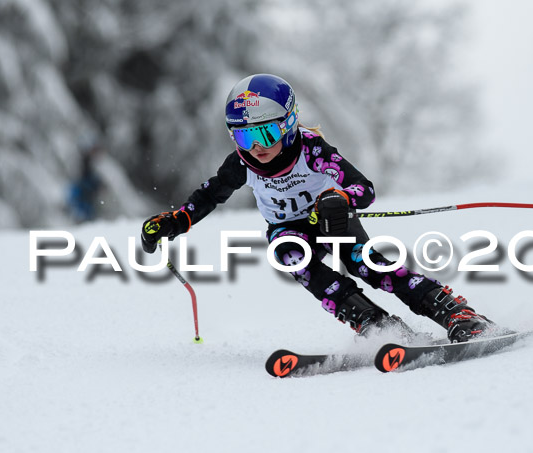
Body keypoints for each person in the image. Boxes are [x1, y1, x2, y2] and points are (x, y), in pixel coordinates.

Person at [141, 74, 495, 343]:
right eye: (244, 137)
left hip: (332, 221)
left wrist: (339, 199)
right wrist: (176, 220)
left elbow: (364, 189)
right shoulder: (241, 164)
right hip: (289, 230)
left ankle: (455, 313)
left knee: (370, 267)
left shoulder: (312, 151)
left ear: (289, 124)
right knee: (291, 255)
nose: (256, 148)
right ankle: (379, 327)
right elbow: (209, 196)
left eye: (265, 135)